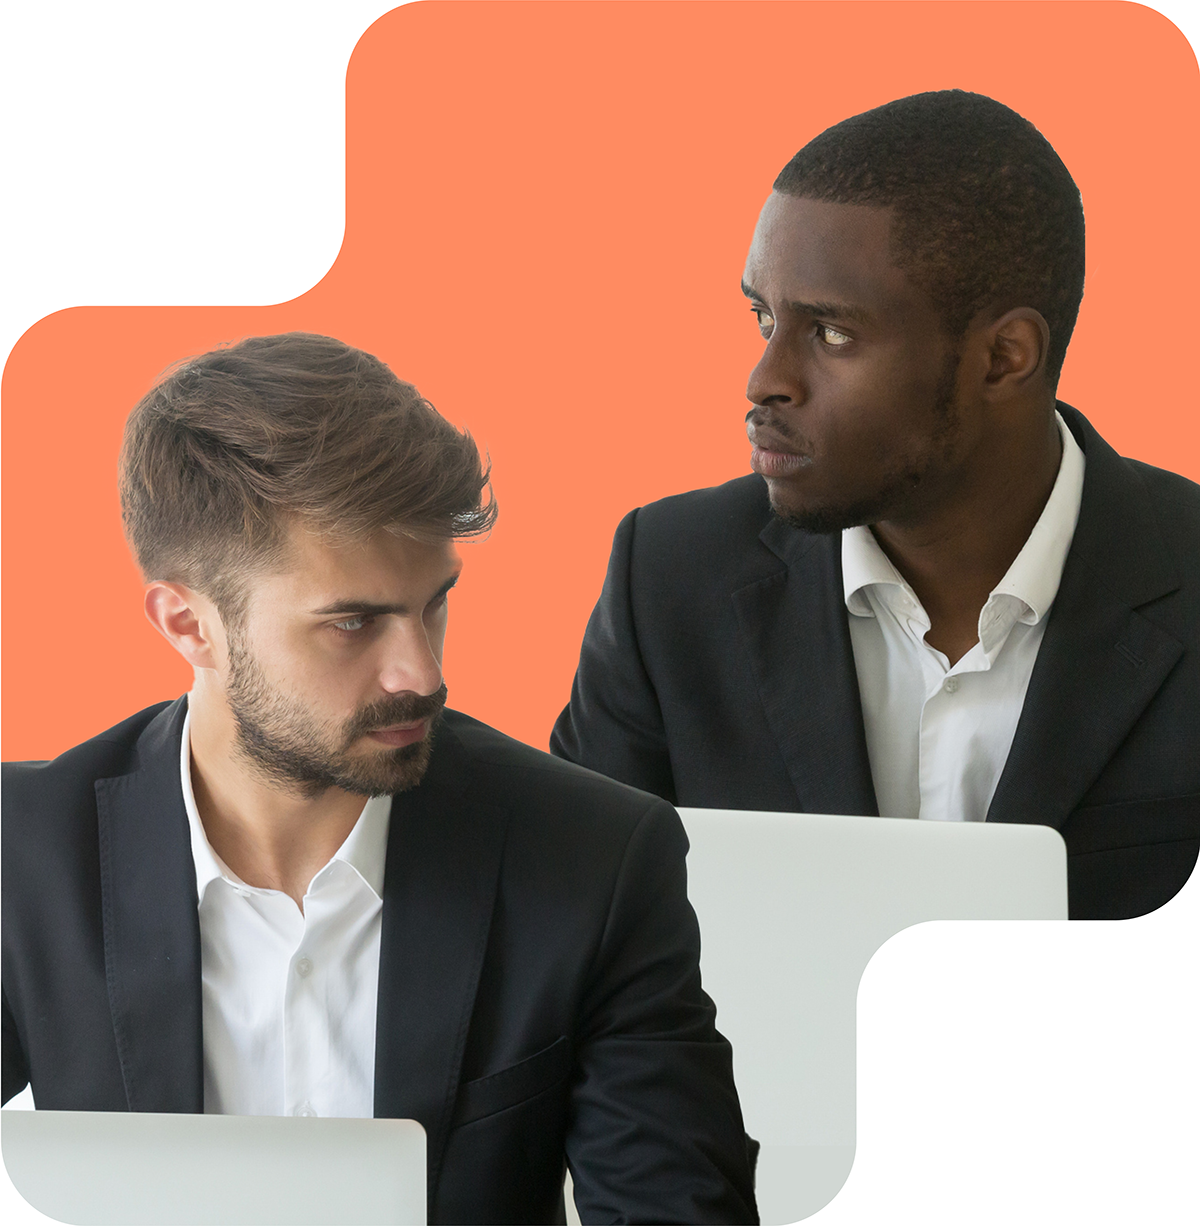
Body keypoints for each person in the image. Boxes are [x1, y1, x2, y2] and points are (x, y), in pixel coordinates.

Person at [1, 333, 758, 1226]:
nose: (421, 672)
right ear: (189, 625)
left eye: (434, 603)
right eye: (354, 623)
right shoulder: (25, 856)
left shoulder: (592, 859)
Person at [552, 90, 1200, 922]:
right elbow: (573, 947)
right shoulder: (669, 581)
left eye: (831, 333)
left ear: (1005, 358)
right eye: (763, 317)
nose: (764, 381)